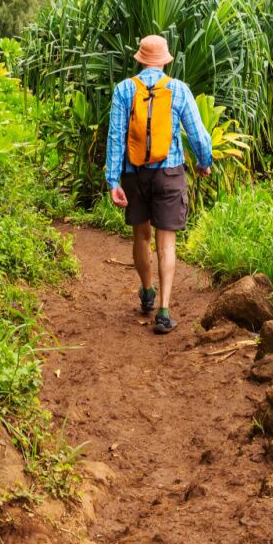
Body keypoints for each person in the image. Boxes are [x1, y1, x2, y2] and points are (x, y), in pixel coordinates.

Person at [105, 34, 213, 334]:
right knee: (166, 244)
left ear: (139, 59)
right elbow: (198, 134)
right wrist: (204, 162)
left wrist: (113, 180)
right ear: (166, 61)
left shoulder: (124, 90)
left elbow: (116, 138)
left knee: (141, 236)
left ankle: (147, 290)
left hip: (134, 173)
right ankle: (164, 312)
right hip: (169, 173)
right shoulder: (178, 90)